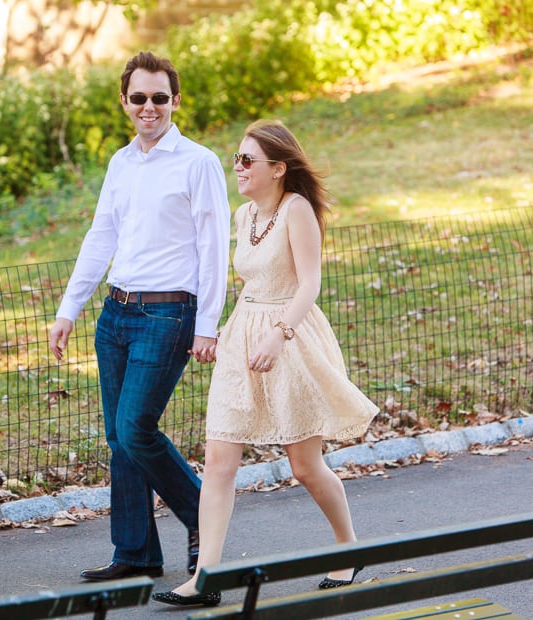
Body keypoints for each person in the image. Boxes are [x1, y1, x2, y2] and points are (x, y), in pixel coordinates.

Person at [152, 119, 379, 607]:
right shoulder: (243, 215)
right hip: (244, 335)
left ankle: (349, 547)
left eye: (247, 160)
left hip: (290, 337)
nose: (238, 167)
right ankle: (205, 577)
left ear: (278, 169)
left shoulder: (297, 210)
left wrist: (280, 335)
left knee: (304, 465)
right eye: (236, 157)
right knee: (218, 461)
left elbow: (309, 283)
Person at [48, 51, 231, 581]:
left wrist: (208, 325)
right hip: (116, 313)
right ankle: (135, 554)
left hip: (169, 315)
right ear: (124, 102)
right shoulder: (120, 163)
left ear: (175, 101)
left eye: (159, 98)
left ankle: (203, 517)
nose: (148, 107)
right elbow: (100, 234)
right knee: (117, 436)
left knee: (135, 428)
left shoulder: (198, 162)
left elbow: (214, 247)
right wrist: (69, 309)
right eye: (138, 98)